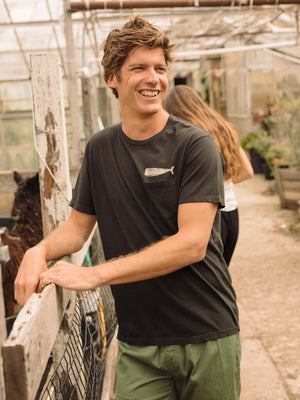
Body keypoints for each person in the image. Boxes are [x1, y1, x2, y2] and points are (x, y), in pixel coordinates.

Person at [15, 16, 241, 400]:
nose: (153, 78)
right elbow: (77, 227)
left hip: (206, 334)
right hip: (139, 344)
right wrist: (38, 251)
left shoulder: (195, 145)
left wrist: (95, 275)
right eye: (138, 68)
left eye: (160, 68)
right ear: (112, 78)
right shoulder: (100, 149)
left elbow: (192, 244)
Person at [164, 84, 254, 266]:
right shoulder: (222, 127)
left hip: (209, 219)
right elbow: (247, 171)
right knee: (221, 278)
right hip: (231, 214)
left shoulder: (190, 136)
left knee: (204, 285)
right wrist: (222, 183)